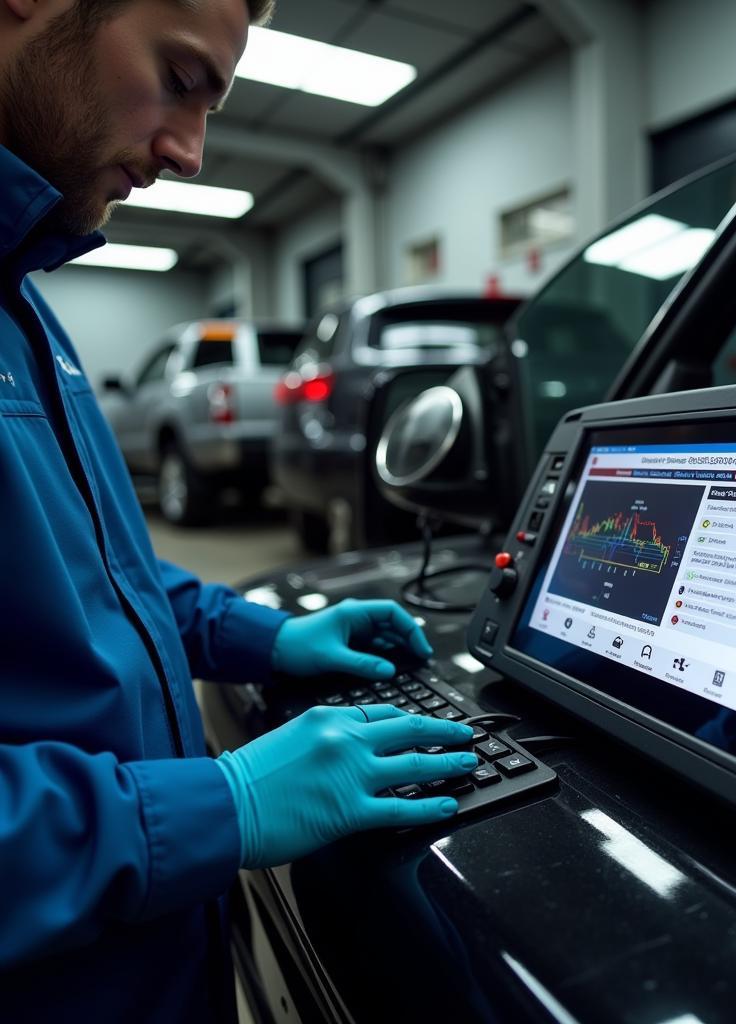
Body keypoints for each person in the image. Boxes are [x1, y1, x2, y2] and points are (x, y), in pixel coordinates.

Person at [0, 1, 479, 1020]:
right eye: (180, 81)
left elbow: (93, 580)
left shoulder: (23, 304)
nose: (189, 150)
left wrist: (270, 635)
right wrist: (221, 805)